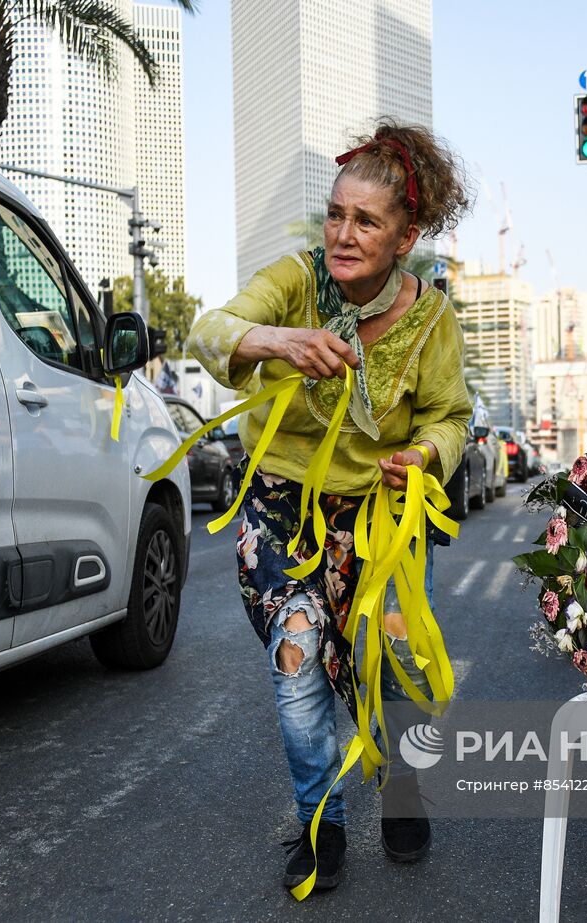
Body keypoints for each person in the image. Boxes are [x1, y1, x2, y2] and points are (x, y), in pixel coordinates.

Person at [186, 120, 473, 891]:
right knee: (298, 658)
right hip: (283, 506)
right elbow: (208, 331)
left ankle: (404, 782)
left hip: (382, 519)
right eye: (335, 214)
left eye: (366, 221)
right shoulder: (296, 278)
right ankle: (321, 820)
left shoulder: (432, 318)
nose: (342, 234)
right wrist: (276, 340)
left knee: (399, 668)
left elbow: (453, 416)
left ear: (405, 235)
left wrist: (425, 455)